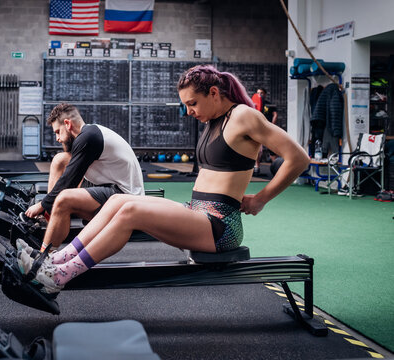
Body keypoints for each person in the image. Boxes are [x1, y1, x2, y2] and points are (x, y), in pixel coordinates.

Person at [17, 65, 309, 298]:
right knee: (119, 200)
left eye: (193, 103)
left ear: (214, 93)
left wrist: (260, 199)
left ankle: (60, 277)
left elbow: (298, 158)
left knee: (132, 212)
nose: (189, 112)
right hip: (197, 212)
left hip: (220, 226)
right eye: (186, 106)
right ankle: (54, 260)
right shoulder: (212, 122)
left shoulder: (245, 116)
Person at [23, 103, 144, 252]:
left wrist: (42, 205)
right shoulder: (89, 134)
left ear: (67, 124)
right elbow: (71, 172)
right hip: (108, 188)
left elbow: (69, 180)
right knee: (60, 160)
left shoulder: (88, 137)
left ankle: (43, 256)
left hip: (124, 197)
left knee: (64, 199)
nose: (57, 138)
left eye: (58, 132)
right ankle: (52, 216)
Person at [252, 88, 279, 174]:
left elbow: (275, 114)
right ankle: (257, 167)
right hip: (258, 129)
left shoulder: (269, 105)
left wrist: (271, 125)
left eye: (261, 93)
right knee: (257, 149)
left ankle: (277, 167)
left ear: (265, 94)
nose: (260, 94)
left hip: (267, 129)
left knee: (272, 148)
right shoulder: (254, 105)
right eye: (258, 93)